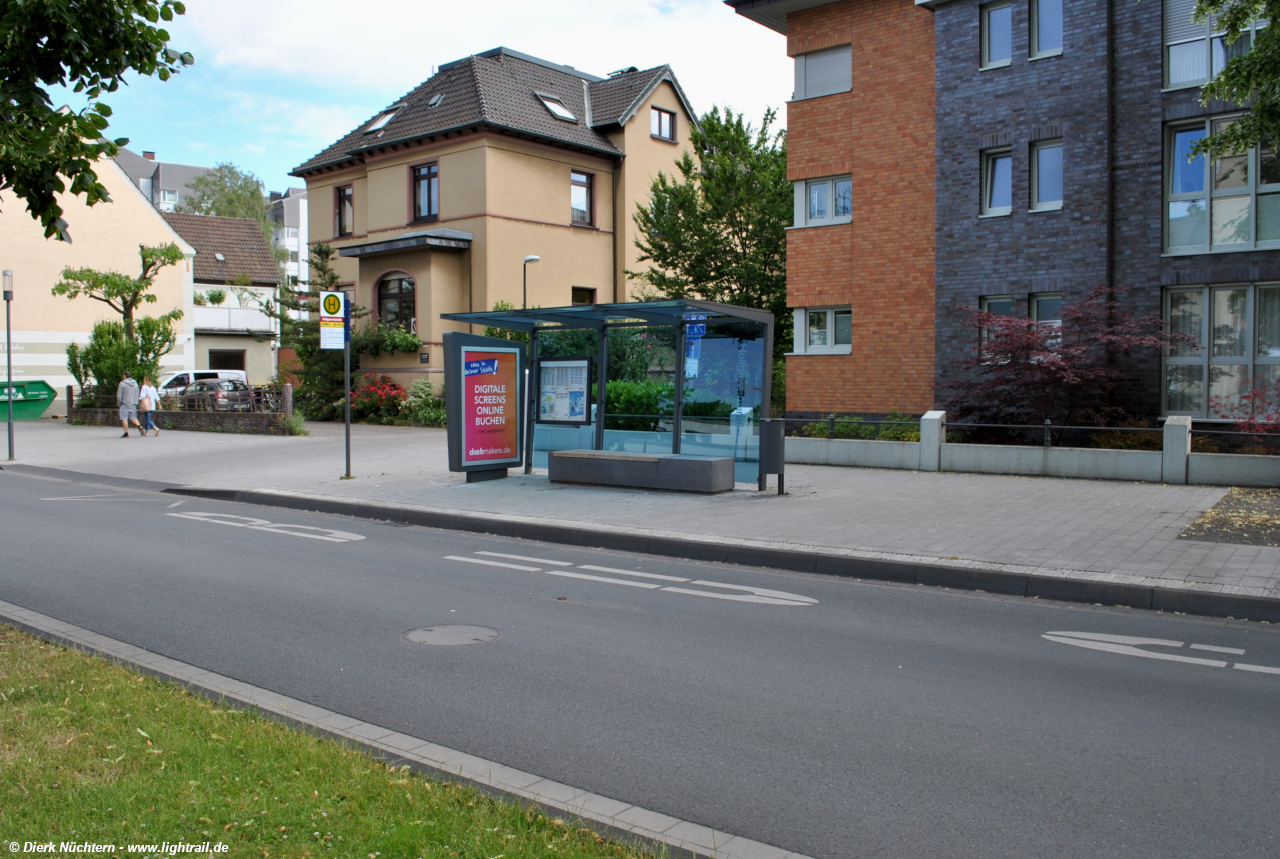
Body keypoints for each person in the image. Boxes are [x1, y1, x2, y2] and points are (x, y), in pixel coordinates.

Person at [117, 372, 142, 438]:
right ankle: (139, 426)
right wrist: (136, 402)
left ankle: (126, 432)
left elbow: (119, 395)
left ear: (124, 376)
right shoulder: (135, 384)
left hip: (125, 403)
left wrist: (119, 403)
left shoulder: (122, 384)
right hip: (133, 403)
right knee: (133, 417)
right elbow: (138, 393)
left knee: (124, 418)